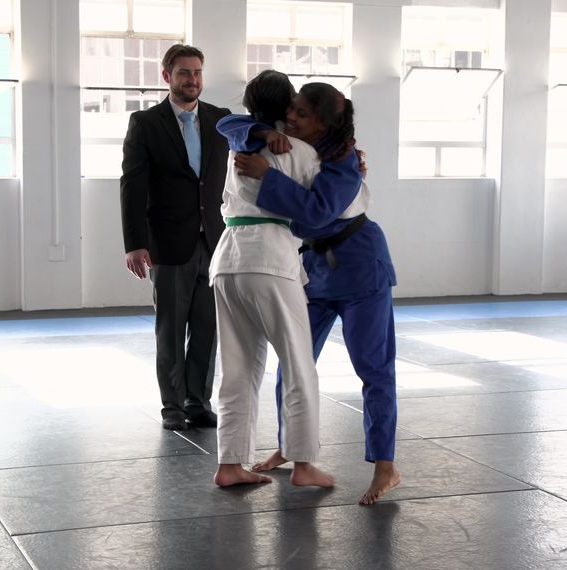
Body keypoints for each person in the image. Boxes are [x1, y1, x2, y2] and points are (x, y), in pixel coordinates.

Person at [228, 83, 401, 505]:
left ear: (324, 122)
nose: (291, 119)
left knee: (373, 367)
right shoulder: (287, 142)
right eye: (291, 111)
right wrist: (262, 135)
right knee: (294, 359)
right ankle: (292, 445)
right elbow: (229, 123)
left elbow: (316, 212)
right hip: (314, 268)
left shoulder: (344, 160)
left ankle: (385, 465)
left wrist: (267, 176)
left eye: (301, 114)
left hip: (360, 264)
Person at [211, 70, 337, 488]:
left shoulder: (240, 143)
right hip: (269, 257)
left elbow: (228, 123)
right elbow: (319, 207)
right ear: (287, 107)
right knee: (299, 363)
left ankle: (230, 464)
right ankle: (303, 464)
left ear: (250, 105)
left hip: (228, 259)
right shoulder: (300, 151)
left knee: (237, 368)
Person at [120, 44, 230, 431]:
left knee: (207, 328)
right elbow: (132, 185)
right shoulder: (146, 124)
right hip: (167, 243)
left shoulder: (221, 120)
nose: (192, 79)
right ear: (166, 76)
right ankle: (172, 407)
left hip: (215, 242)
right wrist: (134, 242)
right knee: (170, 328)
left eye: (197, 72)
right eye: (184, 72)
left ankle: (198, 402)